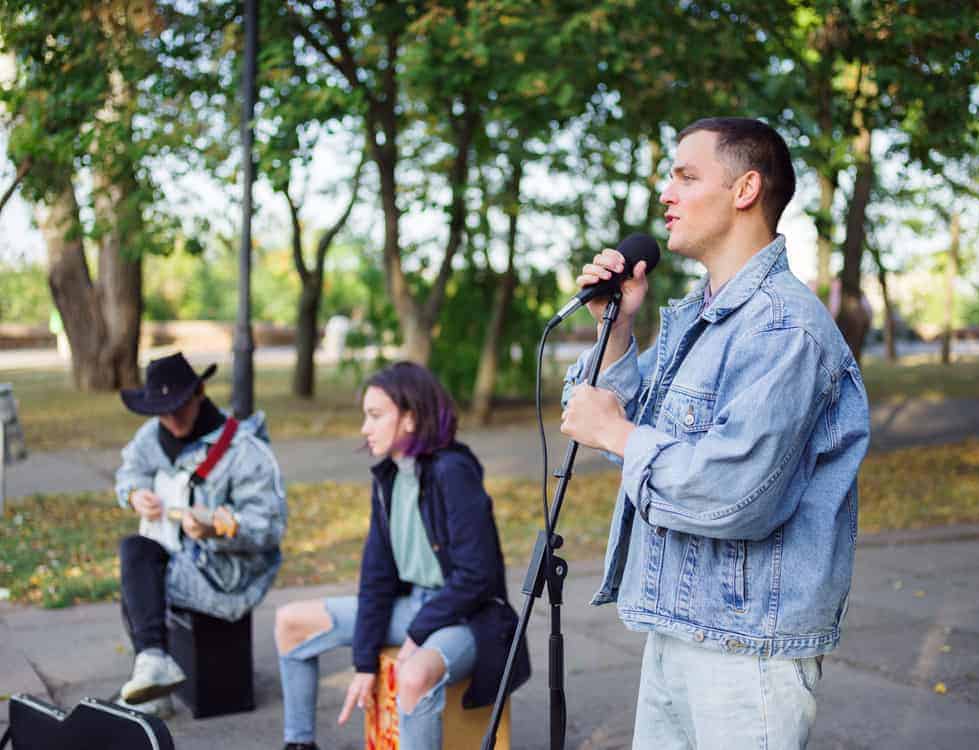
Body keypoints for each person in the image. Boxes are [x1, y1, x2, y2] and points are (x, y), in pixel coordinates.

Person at [560, 117, 870, 749]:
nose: (665, 194)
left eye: (685, 176)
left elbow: (734, 493)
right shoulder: (698, 319)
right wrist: (615, 330)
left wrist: (620, 435)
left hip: (747, 653)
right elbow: (597, 416)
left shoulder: (785, 330)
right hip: (675, 631)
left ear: (745, 189)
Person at [274, 361, 529, 750]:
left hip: (471, 618)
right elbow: (376, 578)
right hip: (416, 607)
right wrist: (362, 664)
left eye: (376, 416)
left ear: (410, 419)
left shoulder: (453, 471)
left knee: (413, 676)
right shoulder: (389, 479)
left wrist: (416, 633)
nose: (365, 428)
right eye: (366, 416)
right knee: (291, 622)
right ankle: (299, 744)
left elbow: (476, 575)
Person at [115, 352, 287, 717]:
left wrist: (219, 528)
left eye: (178, 407)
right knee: (136, 560)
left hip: (229, 576)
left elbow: (271, 529)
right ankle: (154, 669)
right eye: (161, 410)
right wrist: (134, 495)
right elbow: (130, 472)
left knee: (139, 572)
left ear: (200, 393)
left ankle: (154, 673)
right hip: (179, 553)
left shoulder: (245, 451)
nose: (171, 419)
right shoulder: (151, 436)